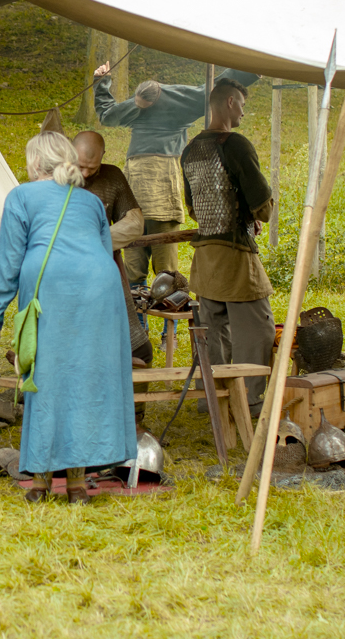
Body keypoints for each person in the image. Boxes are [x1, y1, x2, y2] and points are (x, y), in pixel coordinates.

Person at [0, 132, 137, 504]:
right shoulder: (90, 200)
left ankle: (39, 484)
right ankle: (77, 487)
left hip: (50, 287)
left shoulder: (21, 196)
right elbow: (104, 248)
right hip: (100, 288)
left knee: (45, 379)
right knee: (87, 382)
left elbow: (9, 259)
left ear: (36, 162)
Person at [179, 76, 275, 417]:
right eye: (242, 105)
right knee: (256, 331)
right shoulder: (236, 145)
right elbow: (263, 205)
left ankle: (213, 398)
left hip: (205, 259)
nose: (244, 113)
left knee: (213, 333)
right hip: (235, 257)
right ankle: (250, 401)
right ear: (230, 102)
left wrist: (238, 212)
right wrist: (254, 215)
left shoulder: (190, 150)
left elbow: (194, 207)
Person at [91, 62, 205, 284]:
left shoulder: (181, 105)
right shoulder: (137, 106)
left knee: (167, 274)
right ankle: (137, 307)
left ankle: (166, 307)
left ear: (154, 101)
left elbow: (212, 90)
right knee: (134, 274)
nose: (139, 107)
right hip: (135, 202)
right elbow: (108, 115)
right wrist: (101, 82)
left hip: (165, 198)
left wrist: (249, 72)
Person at [71, 130, 154, 367]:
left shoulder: (112, 177)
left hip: (104, 269)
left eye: (91, 167)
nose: (85, 174)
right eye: (80, 166)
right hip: (66, 273)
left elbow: (134, 222)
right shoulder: (54, 179)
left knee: (140, 351)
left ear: (103, 156)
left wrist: (96, 241)